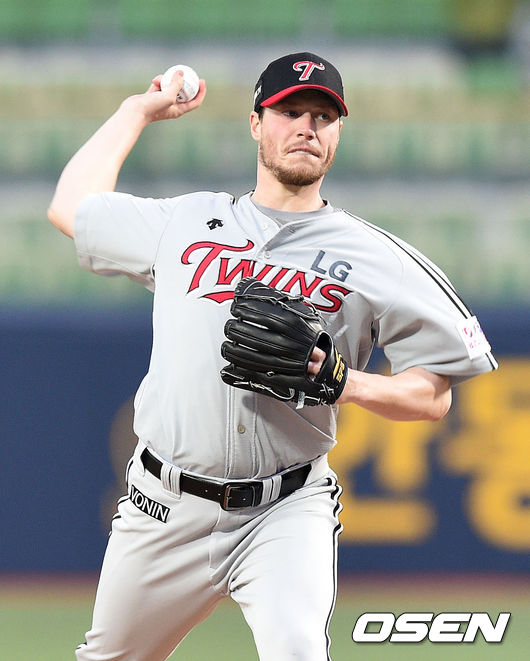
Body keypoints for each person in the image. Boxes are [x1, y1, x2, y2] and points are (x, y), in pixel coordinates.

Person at [48, 52, 497, 660]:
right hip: (164, 504)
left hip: (285, 507)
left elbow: (434, 395)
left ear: (338, 133)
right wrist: (138, 111)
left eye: (323, 116)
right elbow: (70, 207)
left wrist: (347, 383)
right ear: (257, 123)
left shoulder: (378, 257)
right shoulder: (186, 222)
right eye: (290, 111)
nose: (307, 127)